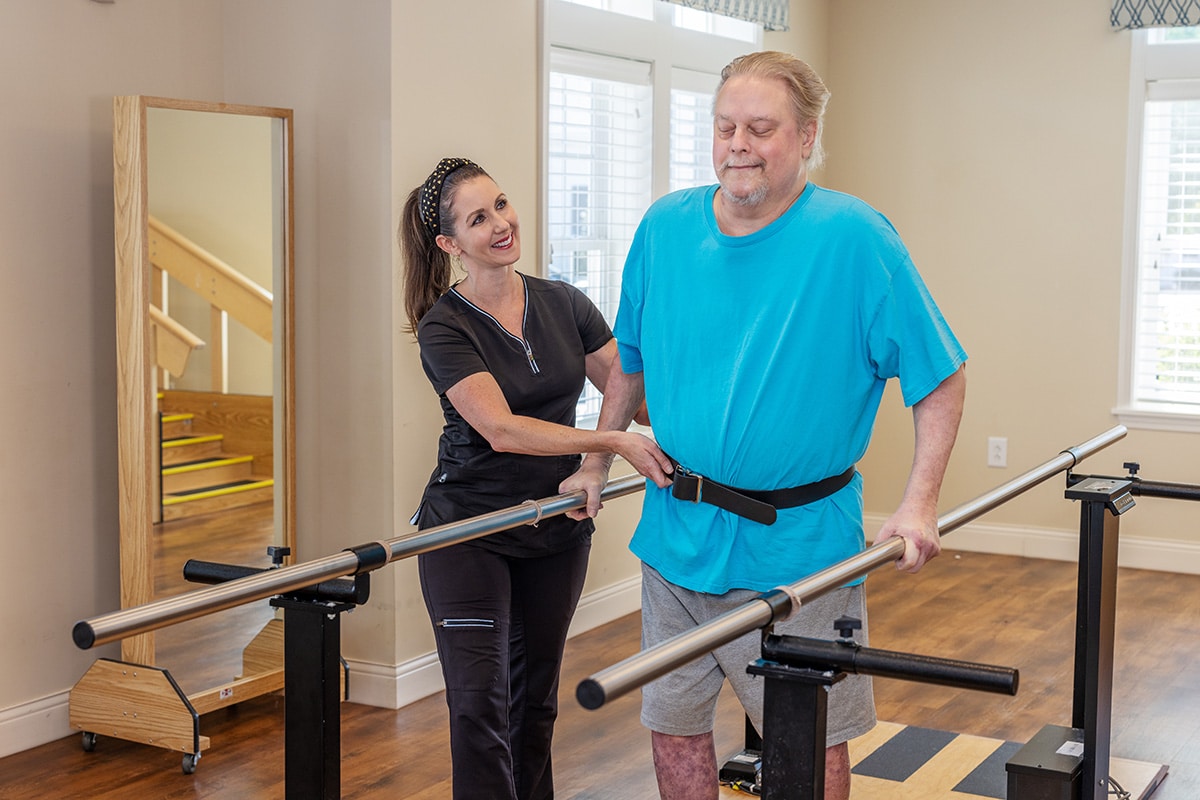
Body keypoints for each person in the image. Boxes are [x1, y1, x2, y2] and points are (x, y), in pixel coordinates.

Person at [561, 51, 967, 800]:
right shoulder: (664, 227)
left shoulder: (854, 237)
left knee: (806, 742)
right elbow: (631, 362)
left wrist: (919, 502)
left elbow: (939, 376)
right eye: (725, 127)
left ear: (806, 136)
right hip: (676, 535)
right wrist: (595, 462)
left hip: (800, 550)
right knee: (673, 729)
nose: (738, 145)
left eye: (760, 128)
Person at [400, 157, 671, 800]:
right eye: (478, 218)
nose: (501, 224)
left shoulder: (564, 303)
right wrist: (608, 445)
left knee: (535, 700)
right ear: (450, 245)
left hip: (554, 525)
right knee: (479, 706)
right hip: (470, 531)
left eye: (500, 204)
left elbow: (632, 394)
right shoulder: (445, 325)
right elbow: (501, 429)